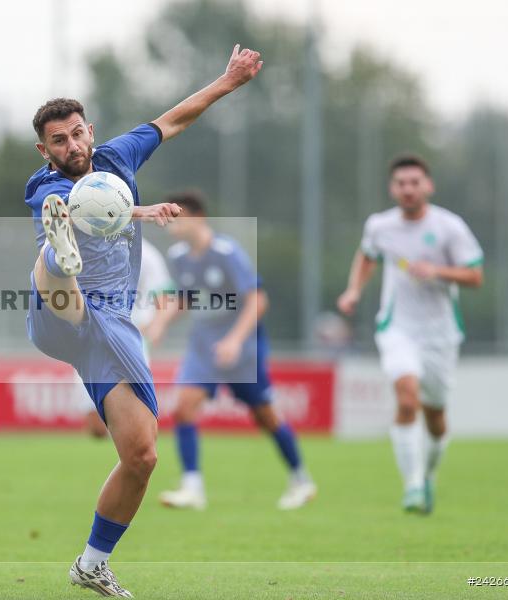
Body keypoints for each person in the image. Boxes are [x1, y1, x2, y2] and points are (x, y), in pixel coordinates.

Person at [24, 45, 263, 597]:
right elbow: (88, 207)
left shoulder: (116, 158)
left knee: (142, 456)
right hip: (60, 311)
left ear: (90, 130)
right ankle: (58, 254)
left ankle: (91, 564)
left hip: (112, 327)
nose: (72, 145)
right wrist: (143, 210)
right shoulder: (45, 186)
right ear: (44, 149)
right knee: (58, 256)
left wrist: (228, 80)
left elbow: (173, 119)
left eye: (77, 133)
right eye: (58, 140)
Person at [146, 191, 316, 511]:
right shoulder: (179, 256)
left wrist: (235, 341)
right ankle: (192, 487)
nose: (171, 226)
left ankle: (300, 479)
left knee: (265, 416)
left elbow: (258, 300)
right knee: (183, 408)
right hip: (203, 345)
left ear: (198, 218)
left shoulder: (227, 252)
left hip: (242, 347)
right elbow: (185, 298)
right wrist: (160, 324)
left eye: (177, 220)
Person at [337, 154, 484, 514]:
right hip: (397, 328)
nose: (407, 189)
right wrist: (354, 290)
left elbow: (475, 276)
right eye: (401, 183)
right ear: (392, 188)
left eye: (414, 183)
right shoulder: (380, 226)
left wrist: (437, 271)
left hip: (440, 334)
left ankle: (429, 474)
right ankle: (413, 485)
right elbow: (367, 256)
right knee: (406, 399)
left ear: (428, 186)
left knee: (436, 418)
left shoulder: (450, 227)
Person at [78, 237, 174, 439]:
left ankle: (138, 447)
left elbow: (164, 295)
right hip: (91, 339)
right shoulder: (87, 244)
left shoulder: (146, 253)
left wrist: (157, 324)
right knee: (96, 427)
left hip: (131, 338)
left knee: (139, 421)